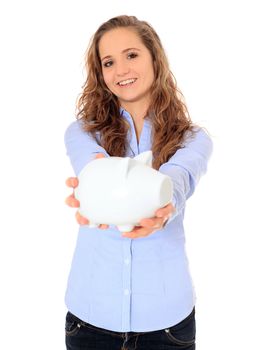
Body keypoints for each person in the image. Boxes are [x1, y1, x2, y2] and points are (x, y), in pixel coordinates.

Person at [64, 15, 213, 350]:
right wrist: (95, 183)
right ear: (101, 75)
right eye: (108, 62)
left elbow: (179, 177)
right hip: (89, 321)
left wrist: (165, 203)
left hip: (166, 326)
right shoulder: (83, 133)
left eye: (131, 55)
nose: (121, 70)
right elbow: (92, 165)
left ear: (154, 59)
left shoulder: (194, 139)